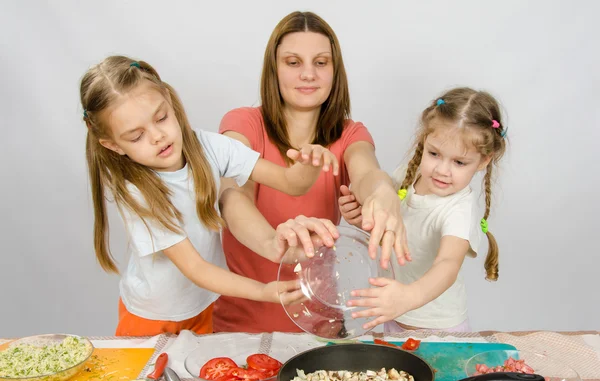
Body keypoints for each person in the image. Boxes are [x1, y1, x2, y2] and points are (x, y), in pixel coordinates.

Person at [80, 55, 338, 336]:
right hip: (151, 317)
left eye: (161, 118)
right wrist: (263, 291)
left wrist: (312, 163)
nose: (157, 136)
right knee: (144, 380)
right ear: (113, 145)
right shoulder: (137, 192)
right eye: (136, 136)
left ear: (168, 98)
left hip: (202, 306)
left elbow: (290, 182)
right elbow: (195, 268)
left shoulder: (209, 147)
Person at [213, 11, 410, 333]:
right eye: (293, 62)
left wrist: (383, 193)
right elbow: (232, 196)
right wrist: (276, 246)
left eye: (320, 62)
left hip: (322, 326)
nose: (308, 74)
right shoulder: (242, 123)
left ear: (335, 72)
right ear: (273, 70)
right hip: (240, 326)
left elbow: (367, 174)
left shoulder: (350, 133)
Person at [341, 87, 507, 332]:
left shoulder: (458, 210)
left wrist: (407, 297)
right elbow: (394, 223)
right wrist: (362, 218)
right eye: (434, 153)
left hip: (436, 327)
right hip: (394, 313)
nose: (442, 170)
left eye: (459, 162)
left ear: (483, 160)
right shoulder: (410, 175)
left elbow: (448, 264)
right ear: (424, 141)